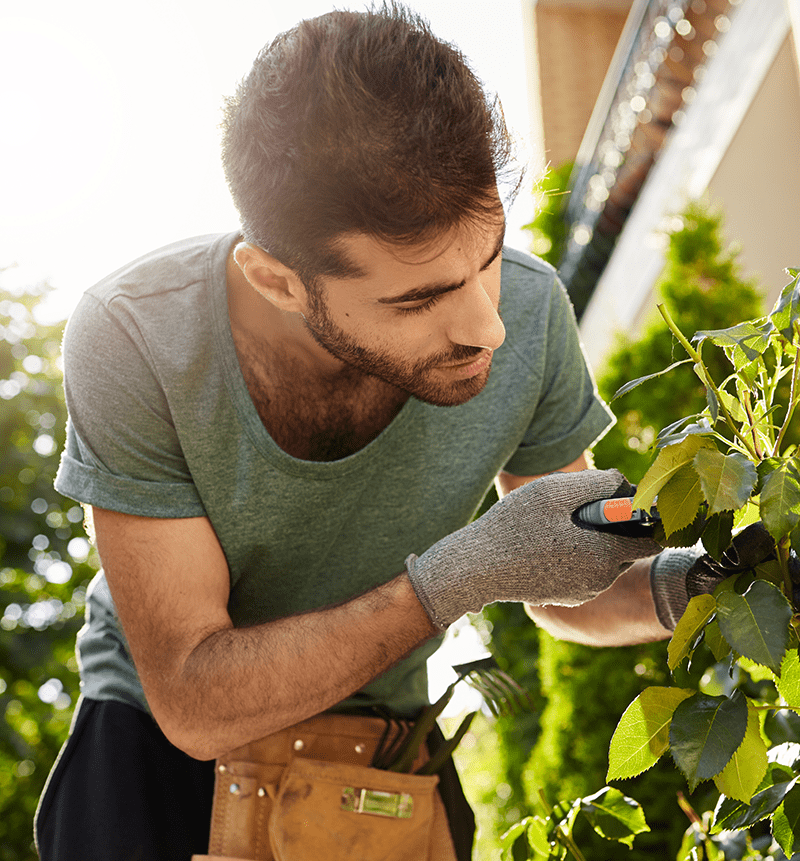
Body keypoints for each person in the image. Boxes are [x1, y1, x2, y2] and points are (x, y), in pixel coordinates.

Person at [34, 6, 696, 860]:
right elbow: (196, 701)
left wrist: (713, 576)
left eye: (488, 255)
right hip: (157, 768)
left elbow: (566, 580)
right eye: (418, 298)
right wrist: (457, 576)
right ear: (275, 280)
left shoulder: (531, 314)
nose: (486, 327)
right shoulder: (137, 337)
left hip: (382, 754)